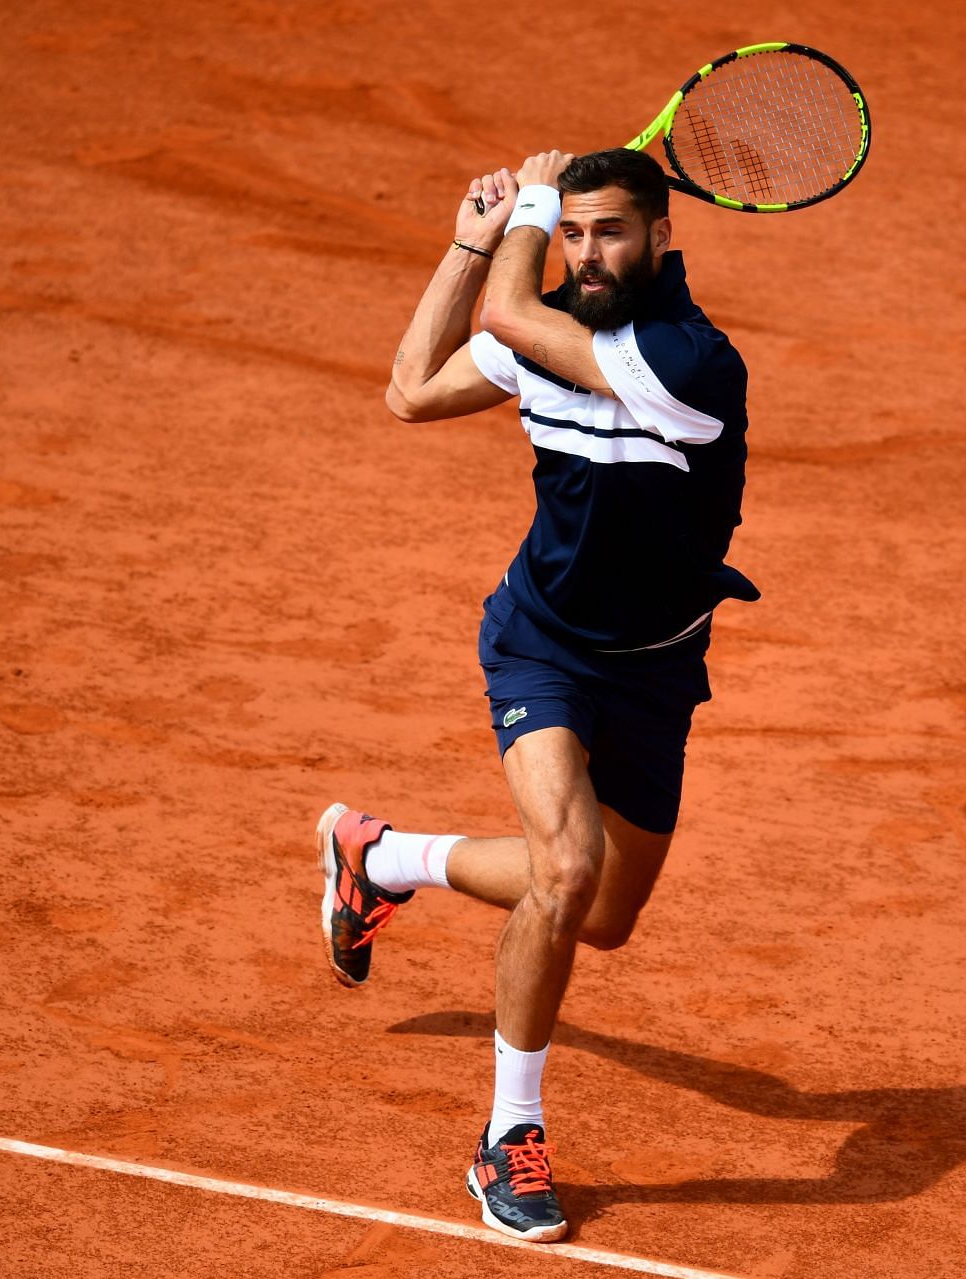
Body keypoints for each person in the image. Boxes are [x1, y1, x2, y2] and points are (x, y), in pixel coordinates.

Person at [315, 147, 756, 1244]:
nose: (589, 253)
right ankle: (509, 1137)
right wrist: (472, 240)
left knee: (600, 913)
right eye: (575, 234)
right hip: (542, 645)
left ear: (663, 235)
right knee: (563, 870)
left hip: (656, 668)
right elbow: (409, 390)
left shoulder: (691, 362)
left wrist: (534, 209)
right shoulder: (545, 332)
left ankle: (380, 857)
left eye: (611, 231)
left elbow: (515, 316)